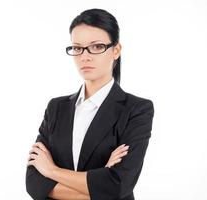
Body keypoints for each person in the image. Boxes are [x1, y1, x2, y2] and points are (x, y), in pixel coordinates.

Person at [25, 8, 154, 200]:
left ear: (116, 50)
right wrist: (98, 184)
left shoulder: (136, 109)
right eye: (77, 48)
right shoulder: (56, 108)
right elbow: (34, 184)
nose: (85, 56)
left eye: (96, 47)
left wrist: (51, 171)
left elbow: (118, 185)